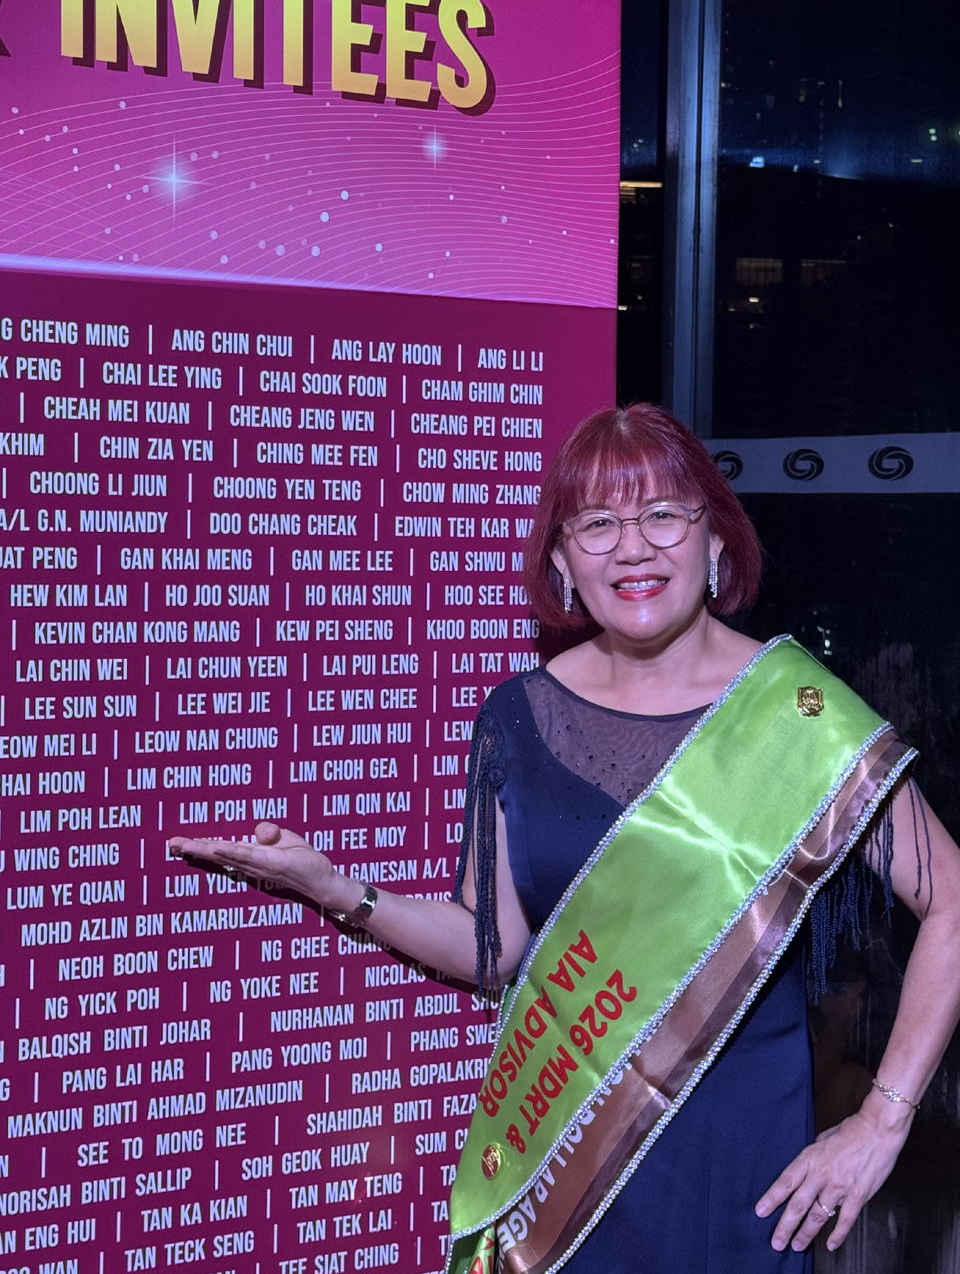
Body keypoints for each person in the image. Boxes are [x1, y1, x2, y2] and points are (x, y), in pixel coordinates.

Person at [170, 404, 960, 1274]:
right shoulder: (519, 717)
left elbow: (953, 900)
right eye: (597, 524)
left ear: (715, 541)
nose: (633, 549)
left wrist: (882, 1120)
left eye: (663, 515)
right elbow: (494, 948)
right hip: (560, 1178)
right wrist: (336, 890)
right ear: (561, 560)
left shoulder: (799, 717)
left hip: (740, 1180)